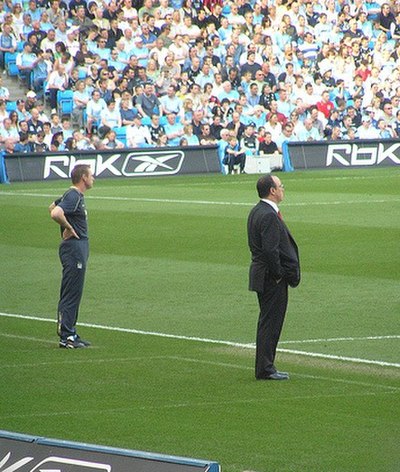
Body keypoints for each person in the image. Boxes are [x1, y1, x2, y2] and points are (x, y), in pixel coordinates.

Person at [247, 174, 300, 380]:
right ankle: (265, 368)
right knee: (271, 323)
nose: (282, 189)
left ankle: (266, 366)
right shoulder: (268, 215)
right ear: (272, 190)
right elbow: (271, 250)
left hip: (262, 275)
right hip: (271, 278)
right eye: (280, 186)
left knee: (268, 322)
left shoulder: (257, 211)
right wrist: (279, 274)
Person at [49, 164, 95, 349]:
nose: (93, 179)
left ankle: (71, 333)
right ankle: (67, 336)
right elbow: (55, 212)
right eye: (91, 175)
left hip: (78, 248)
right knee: (71, 292)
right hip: (74, 248)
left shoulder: (74, 196)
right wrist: (68, 227)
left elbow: (52, 205)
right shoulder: (74, 195)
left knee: (74, 291)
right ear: (83, 177)